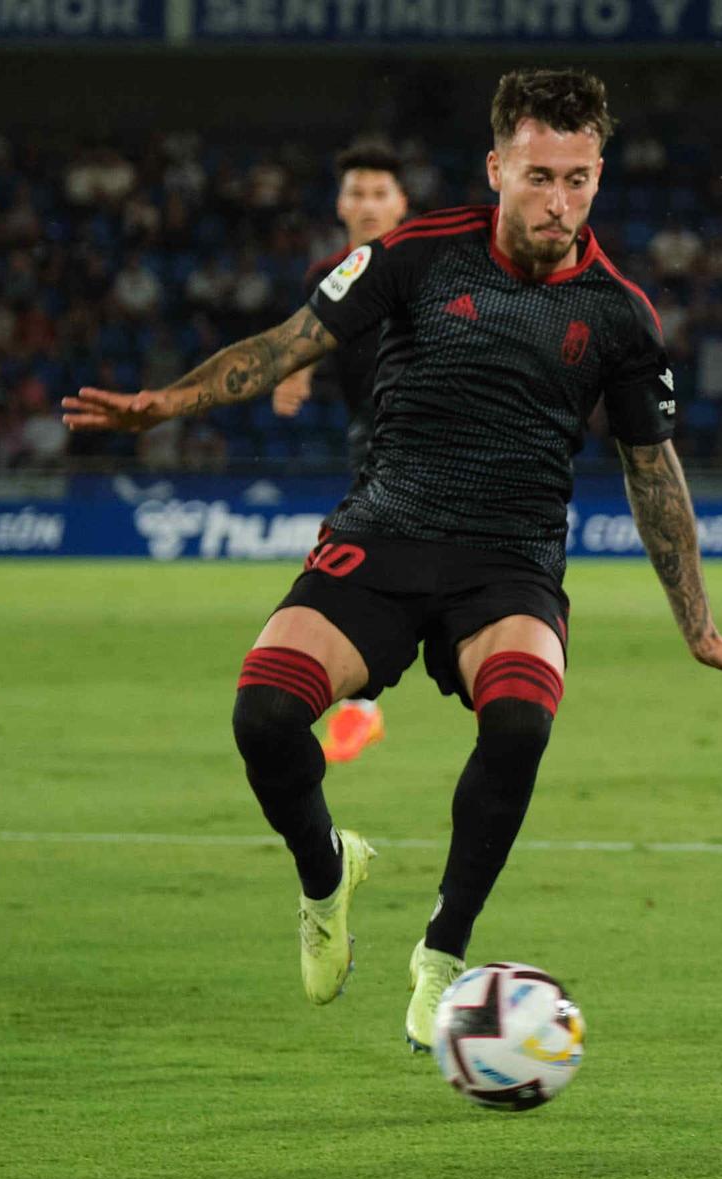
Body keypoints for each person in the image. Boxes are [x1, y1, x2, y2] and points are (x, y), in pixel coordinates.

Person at [63, 68, 722, 1052]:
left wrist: (698, 628)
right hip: (382, 540)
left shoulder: (619, 314)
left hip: (510, 565)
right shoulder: (411, 255)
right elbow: (284, 346)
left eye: (579, 180)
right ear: (496, 167)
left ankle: (442, 956)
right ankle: (327, 873)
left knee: (523, 719)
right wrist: (166, 404)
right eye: (539, 176)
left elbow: (652, 476)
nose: (559, 202)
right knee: (264, 711)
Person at [273, 142, 410, 763]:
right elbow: (311, 338)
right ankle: (361, 703)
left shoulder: (427, 266)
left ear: (401, 203)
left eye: (380, 193)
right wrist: (295, 370)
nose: (368, 205)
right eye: (358, 193)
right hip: (371, 435)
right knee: (365, 557)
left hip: (440, 434)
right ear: (340, 203)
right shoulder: (325, 275)